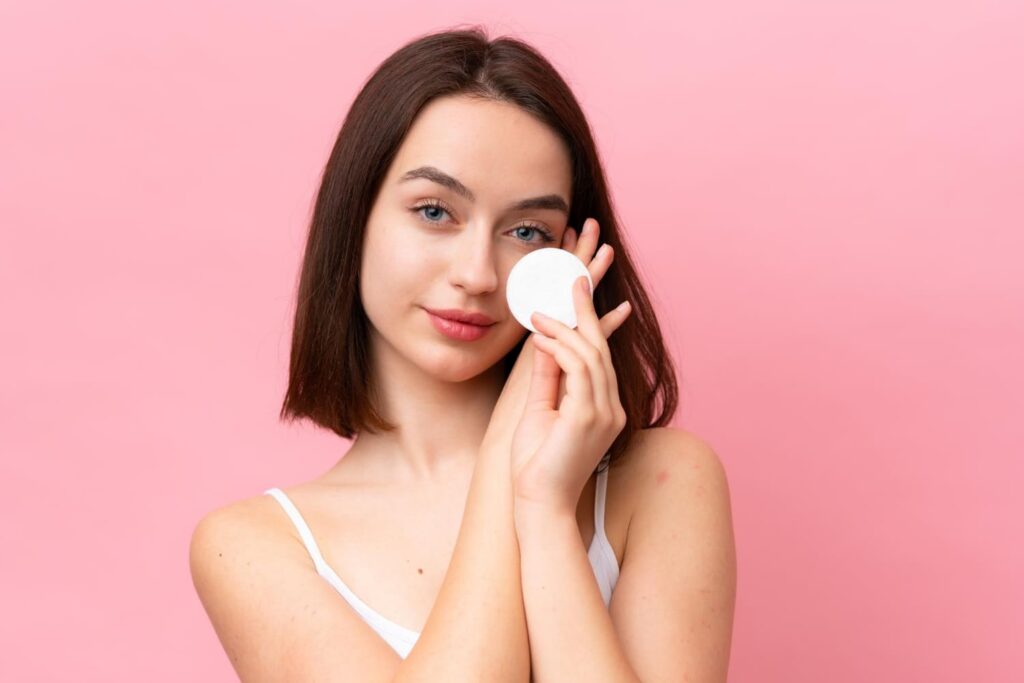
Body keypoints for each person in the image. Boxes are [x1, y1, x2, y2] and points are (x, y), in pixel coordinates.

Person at [189, 25, 736, 682]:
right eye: (434, 211)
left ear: (564, 256)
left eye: (526, 230)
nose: (477, 273)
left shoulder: (665, 481)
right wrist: (513, 431)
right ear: (355, 215)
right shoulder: (254, 545)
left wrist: (546, 511)